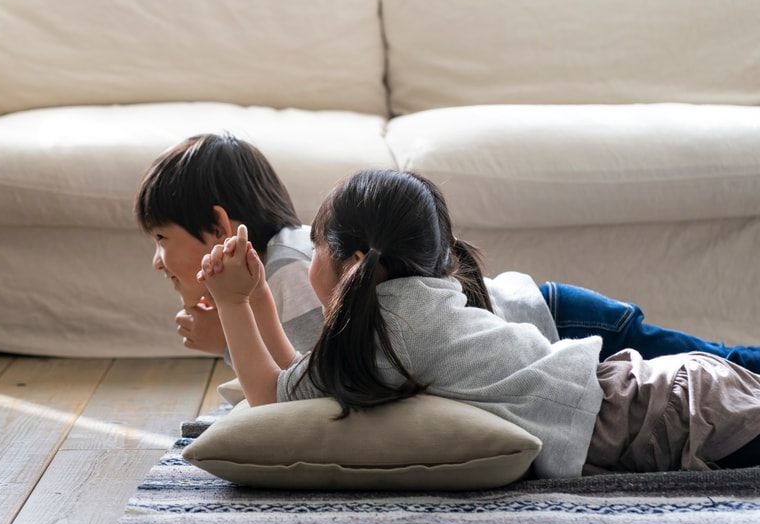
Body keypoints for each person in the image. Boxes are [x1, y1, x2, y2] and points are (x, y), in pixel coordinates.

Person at [198, 169, 760, 478]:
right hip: (654, 398)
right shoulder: (403, 309)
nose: (308, 258)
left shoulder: (386, 329)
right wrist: (253, 300)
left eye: (315, 245)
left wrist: (232, 305)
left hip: (664, 415)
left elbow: (273, 396)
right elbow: (297, 380)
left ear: (349, 260)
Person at [135, 132, 760, 373]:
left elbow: (311, 382)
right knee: (720, 368)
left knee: (724, 368)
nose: (159, 261)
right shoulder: (292, 264)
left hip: (555, 321)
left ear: (218, 227)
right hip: (542, 314)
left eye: (163, 239)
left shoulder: (293, 273)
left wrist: (231, 326)